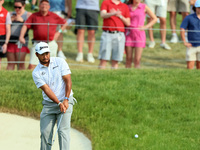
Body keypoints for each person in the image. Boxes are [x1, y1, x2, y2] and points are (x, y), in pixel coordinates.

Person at [32, 42, 76, 150]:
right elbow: (47, 90)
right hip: (49, 105)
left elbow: (68, 80)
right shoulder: (36, 72)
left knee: (62, 131)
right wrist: (58, 103)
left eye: (47, 53)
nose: (45, 56)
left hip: (66, 100)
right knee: (45, 133)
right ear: (37, 55)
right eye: (42, 54)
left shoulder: (60, 62)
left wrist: (65, 99)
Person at [19, 0, 68, 70]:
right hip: (37, 44)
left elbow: (65, 23)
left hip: (50, 43)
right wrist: (21, 36)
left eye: (46, 4)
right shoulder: (34, 16)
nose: (44, 6)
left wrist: (58, 32)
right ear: (39, 6)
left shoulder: (54, 16)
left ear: (49, 7)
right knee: (32, 66)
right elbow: (25, 25)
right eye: (42, 4)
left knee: (51, 66)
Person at [98, 0, 130, 69]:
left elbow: (128, 22)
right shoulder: (106, 2)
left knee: (116, 59)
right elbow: (102, 14)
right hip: (107, 33)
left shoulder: (124, 6)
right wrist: (112, 14)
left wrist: (120, 16)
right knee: (103, 58)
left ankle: (114, 76)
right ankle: (100, 75)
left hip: (119, 35)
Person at [125, 0, 157, 68]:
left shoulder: (144, 6)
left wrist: (145, 27)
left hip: (139, 34)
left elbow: (155, 19)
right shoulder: (127, 7)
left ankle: (137, 76)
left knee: (137, 60)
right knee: (128, 59)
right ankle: (126, 75)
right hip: (129, 33)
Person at [7, 0, 31, 70]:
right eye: (15, 7)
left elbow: (32, 27)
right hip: (11, 42)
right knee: (10, 64)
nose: (17, 9)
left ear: (24, 6)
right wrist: (9, 20)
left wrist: (22, 21)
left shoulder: (28, 15)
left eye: (19, 7)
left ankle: (22, 78)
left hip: (21, 42)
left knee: (20, 64)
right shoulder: (10, 14)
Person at [180, 0, 200, 69]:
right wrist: (184, 42)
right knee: (189, 67)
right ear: (195, 8)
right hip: (191, 46)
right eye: (198, 7)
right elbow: (182, 29)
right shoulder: (189, 17)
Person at [0, 0, 11, 70]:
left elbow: (8, 29)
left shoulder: (6, 13)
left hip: (1, 37)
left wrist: (6, 43)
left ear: (3, 1)